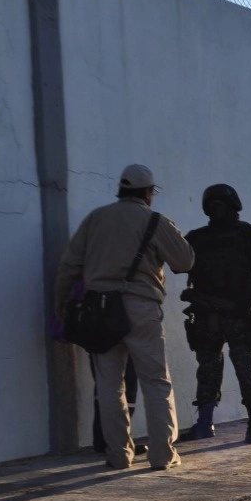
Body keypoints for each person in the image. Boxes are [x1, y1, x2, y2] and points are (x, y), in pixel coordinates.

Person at [54, 164, 195, 470]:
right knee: (156, 383)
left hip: (100, 310)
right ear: (148, 193)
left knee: (109, 385)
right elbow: (184, 261)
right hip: (141, 308)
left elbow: (69, 266)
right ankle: (162, 455)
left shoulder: (95, 219)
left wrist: (61, 304)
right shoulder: (155, 220)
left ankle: (118, 455)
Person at [179, 183, 251, 444]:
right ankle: (204, 422)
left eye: (220, 204)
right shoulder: (197, 238)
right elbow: (178, 261)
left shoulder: (249, 236)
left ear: (232, 206)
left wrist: (245, 300)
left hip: (240, 314)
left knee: (245, 368)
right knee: (208, 369)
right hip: (206, 316)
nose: (215, 209)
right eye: (211, 205)